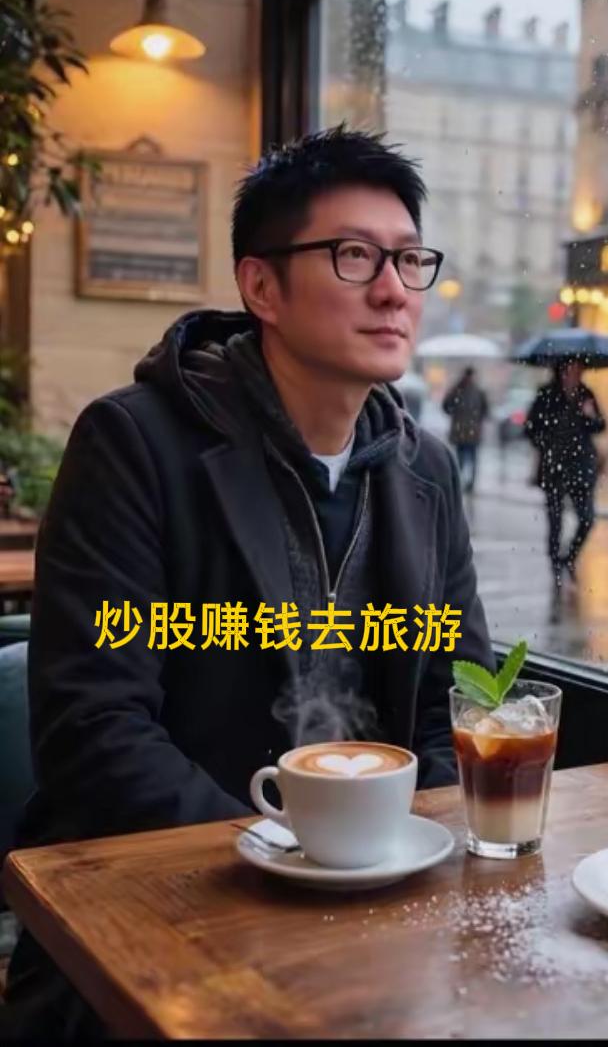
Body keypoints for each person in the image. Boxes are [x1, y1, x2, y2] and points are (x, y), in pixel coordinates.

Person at [1, 127, 495, 1038]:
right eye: (355, 256)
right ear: (261, 287)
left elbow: (452, 701)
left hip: (378, 910)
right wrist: (278, 855)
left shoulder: (424, 469)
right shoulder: (136, 444)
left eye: (409, 259)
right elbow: (95, 729)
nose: (394, 289)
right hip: (159, 914)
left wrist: (414, 860)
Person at [523, 359, 605, 601]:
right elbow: (529, 428)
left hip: (582, 467)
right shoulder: (546, 395)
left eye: (579, 369)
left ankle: (569, 558)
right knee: (555, 522)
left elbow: (601, 425)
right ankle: (555, 567)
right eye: (570, 369)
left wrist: (590, 416)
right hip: (554, 467)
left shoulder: (586, 394)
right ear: (560, 370)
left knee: (587, 519)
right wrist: (547, 442)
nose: (575, 373)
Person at [442, 366, 489, 494]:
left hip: (463, 432)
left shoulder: (460, 390)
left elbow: (446, 407)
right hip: (470, 432)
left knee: (465, 459)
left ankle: (464, 483)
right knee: (466, 459)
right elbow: (486, 411)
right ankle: (465, 483)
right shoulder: (474, 391)